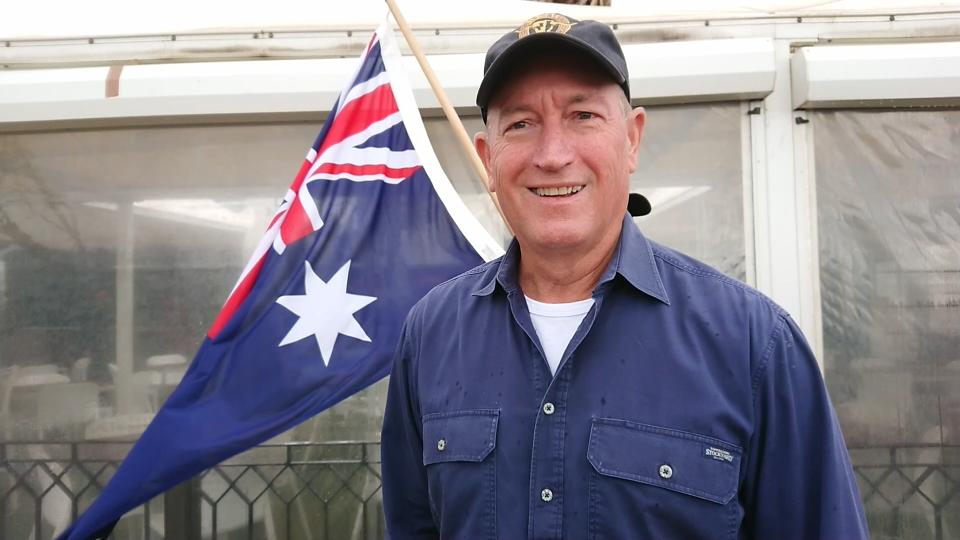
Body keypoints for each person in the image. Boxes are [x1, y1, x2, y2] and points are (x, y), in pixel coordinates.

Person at [381, 12, 869, 539]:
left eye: (583, 116)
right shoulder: (431, 336)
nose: (553, 154)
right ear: (488, 158)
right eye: (521, 124)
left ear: (632, 139)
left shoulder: (754, 345)